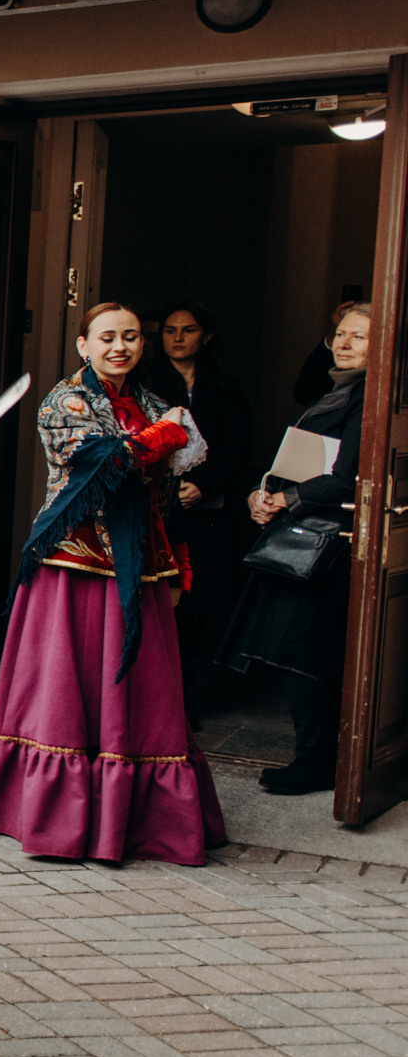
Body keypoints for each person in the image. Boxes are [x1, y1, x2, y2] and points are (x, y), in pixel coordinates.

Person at [0, 303, 227, 866]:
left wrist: (177, 559)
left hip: (141, 565)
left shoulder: (152, 403)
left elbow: (159, 493)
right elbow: (107, 463)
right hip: (73, 565)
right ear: (84, 345)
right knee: (64, 687)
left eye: (130, 337)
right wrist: (165, 434)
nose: (119, 347)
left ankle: (132, 820)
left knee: (143, 693)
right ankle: (57, 816)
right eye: (107, 338)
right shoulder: (66, 401)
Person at [221, 302, 373, 796]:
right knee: (293, 651)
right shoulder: (338, 391)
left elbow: (348, 478)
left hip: (327, 544)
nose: (344, 344)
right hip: (302, 531)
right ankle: (315, 756)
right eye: (340, 334)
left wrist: (287, 498)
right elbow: (298, 460)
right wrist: (263, 495)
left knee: (302, 653)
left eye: (359, 337)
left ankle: (318, 760)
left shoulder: (371, 397)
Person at [141, 305, 255, 713]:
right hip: (159, 507)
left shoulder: (225, 387)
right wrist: (172, 488)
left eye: (188, 330)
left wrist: (202, 485)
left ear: (205, 336)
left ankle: (186, 706)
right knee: (159, 606)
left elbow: (238, 448)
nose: (177, 337)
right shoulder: (145, 382)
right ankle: (155, 705)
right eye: (170, 330)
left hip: (210, 510)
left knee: (198, 607)